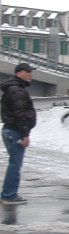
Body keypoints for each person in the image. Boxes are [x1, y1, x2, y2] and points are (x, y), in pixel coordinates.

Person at [1, 63, 37, 205]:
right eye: (27, 71)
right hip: (15, 131)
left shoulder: (13, 88)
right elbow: (20, 114)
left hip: (10, 129)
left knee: (14, 163)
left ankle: (7, 193)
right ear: (19, 73)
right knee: (15, 164)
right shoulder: (17, 90)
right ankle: (9, 195)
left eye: (30, 71)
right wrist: (25, 134)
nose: (30, 74)